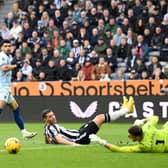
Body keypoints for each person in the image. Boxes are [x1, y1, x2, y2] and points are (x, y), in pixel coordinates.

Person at [42, 96, 134, 145]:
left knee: (99, 118)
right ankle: (126, 110)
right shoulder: (51, 127)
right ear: (45, 119)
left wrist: (50, 141)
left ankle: (124, 109)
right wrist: (74, 145)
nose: (53, 117)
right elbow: (60, 140)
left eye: (53, 115)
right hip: (78, 138)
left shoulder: (47, 127)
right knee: (100, 118)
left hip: (79, 133)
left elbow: (47, 140)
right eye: (50, 116)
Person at [0, 40, 37, 139]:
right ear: (1, 48)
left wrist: (18, 63)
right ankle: (24, 132)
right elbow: (3, 68)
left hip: (6, 87)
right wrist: (17, 65)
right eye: (5, 46)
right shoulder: (2, 56)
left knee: (16, 109)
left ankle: (24, 132)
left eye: (9, 46)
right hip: (2, 87)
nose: (8, 47)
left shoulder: (8, 56)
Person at [89, 116, 168, 153]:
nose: (128, 136)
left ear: (137, 137)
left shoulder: (144, 147)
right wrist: (142, 121)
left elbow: (119, 149)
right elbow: (155, 118)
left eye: (130, 135)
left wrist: (101, 141)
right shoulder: (147, 127)